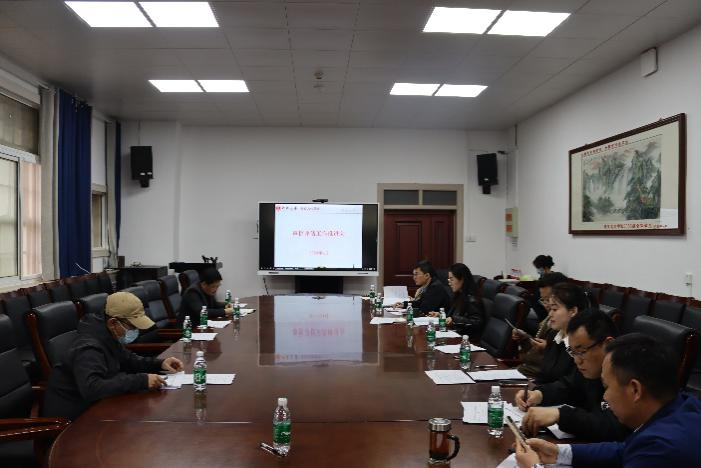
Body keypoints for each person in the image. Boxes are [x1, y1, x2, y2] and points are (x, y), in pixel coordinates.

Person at [516, 333, 701, 467]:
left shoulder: (662, 449)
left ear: (635, 390)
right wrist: (558, 453)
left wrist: (534, 467)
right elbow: (623, 450)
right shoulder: (681, 405)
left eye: (607, 387)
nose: (605, 397)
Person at [42, 291, 184, 421]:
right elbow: (92, 388)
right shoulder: (88, 348)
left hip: (98, 408)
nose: (136, 331)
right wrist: (141, 380)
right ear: (113, 322)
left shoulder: (107, 336)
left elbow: (129, 360)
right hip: (72, 422)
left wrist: (160, 363)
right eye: (132, 327)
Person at [516, 309, 630, 441]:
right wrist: (538, 394)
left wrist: (561, 415)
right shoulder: (590, 367)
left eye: (582, 351)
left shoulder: (626, 376)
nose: (577, 360)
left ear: (608, 344)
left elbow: (613, 427)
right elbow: (568, 386)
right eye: (572, 352)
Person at [514, 277, 577, 384]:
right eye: (544, 300)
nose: (549, 311)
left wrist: (547, 348)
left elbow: (568, 383)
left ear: (573, 311)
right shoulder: (554, 332)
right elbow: (545, 375)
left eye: (554, 308)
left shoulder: (577, 342)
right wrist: (524, 339)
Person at [440, 263, 485, 337]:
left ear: (462, 279)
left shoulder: (472, 299)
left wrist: (454, 319)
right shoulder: (459, 294)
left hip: (466, 339)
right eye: (449, 279)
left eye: (452, 279)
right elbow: (453, 315)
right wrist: (441, 315)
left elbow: (477, 323)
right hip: (456, 333)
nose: (449, 283)